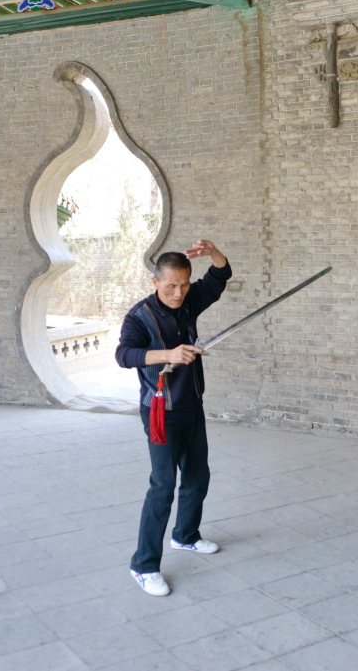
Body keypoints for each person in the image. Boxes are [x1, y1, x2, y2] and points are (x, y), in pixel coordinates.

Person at [115, 240, 231, 596]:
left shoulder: (189, 299)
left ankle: (186, 536)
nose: (179, 293)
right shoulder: (140, 316)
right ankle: (144, 565)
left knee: (197, 475)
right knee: (163, 485)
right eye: (170, 286)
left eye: (183, 284)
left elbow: (220, 275)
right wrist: (168, 353)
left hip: (190, 404)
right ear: (155, 282)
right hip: (159, 413)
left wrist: (213, 253)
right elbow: (124, 355)